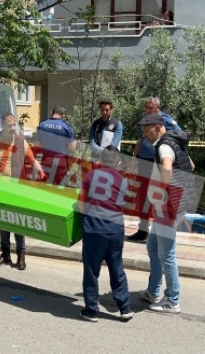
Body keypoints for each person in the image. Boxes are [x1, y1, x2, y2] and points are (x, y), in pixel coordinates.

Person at [138, 113, 195, 314]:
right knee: (153, 246)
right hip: (179, 201)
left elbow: (167, 168)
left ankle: (172, 299)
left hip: (170, 205)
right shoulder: (174, 142)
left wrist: (162, 189)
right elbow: (191, 165)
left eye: (146, 132)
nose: (145, 136)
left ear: (157, 127)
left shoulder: (163, 146)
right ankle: (153, 291)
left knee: (166, 253)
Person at [76, 145, 134, 323]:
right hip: (115, 230)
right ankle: (125, 308)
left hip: (95, 229)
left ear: (100, 160)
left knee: (92, 271)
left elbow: (80, 205)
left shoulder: (90, 176)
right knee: (117, 268)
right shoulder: (123, 181)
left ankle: (91, 311)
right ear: (118, 162)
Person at [0, 113, 44, 270]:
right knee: (3, 222)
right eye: (9, 125)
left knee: (18, 222)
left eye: (14, 125)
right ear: (2, 125)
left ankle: (21, 256)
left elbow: (31, 158)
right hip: (0, 188)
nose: (12, 128)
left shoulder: (20, 140)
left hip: (16, 188)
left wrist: (40, 170)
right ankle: (5, 254)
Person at [128, 96, 182, 242]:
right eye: (146, 107)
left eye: (150, 108)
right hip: (144, 162)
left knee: (159, 196)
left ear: (158, 108)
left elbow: (180, 136)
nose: (147, 110)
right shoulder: (145, 121)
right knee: (143, 196)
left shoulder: (167, 120)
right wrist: (134, 160)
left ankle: (162, 231)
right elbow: (139, 141)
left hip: (159, 163)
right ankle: (143, 229)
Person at [35, 105, 76, 186]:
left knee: (47, 188)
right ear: (63, 115)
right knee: (60, 189)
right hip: (60, 162)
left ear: (52, 113)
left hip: (46, 161)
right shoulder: (66, 127)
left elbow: (37, 145)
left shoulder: (42, 125)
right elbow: (72, 148)